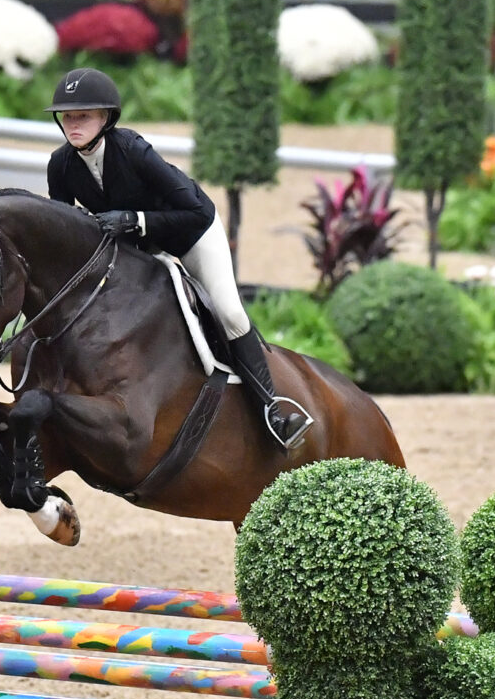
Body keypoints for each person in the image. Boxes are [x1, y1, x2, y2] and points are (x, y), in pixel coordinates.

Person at [43, 67, 313, 451]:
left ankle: (273, 410)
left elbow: (192, 210)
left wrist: (134, 220)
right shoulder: (62, 164)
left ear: (106, 118)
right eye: (68, 117)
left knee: (229, 312)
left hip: (190, 233)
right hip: (137, 248)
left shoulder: (133, 150)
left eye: (83, 116)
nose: (74, 124)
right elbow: (66, 228)